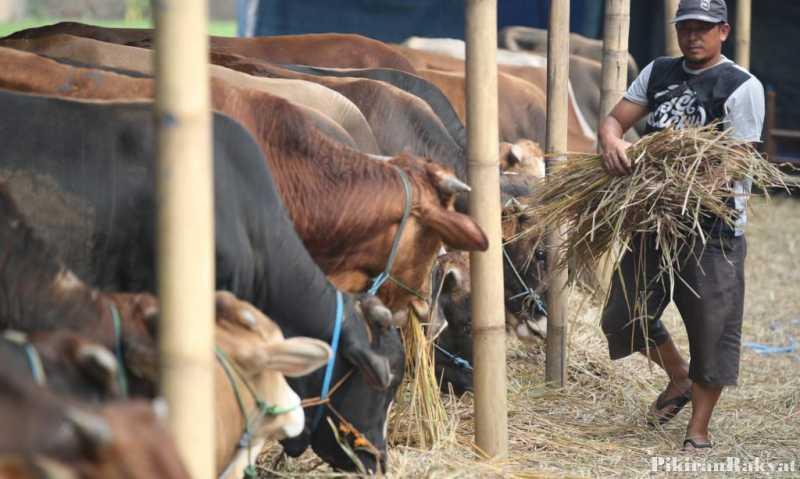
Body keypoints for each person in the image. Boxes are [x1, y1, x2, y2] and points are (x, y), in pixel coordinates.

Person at [597, 0, 764, 451]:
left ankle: (698, 428)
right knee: (622, 313)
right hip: (654, 223)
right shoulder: (658, 71)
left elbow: (739, 157)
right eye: (686, 27)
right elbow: (616, 118)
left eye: (703, 29)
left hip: (713, 231)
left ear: (723, 31)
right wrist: (612, 139)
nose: (693, 36)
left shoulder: (741, 86)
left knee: (712, 333)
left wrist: (688, 189)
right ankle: (677, 377)